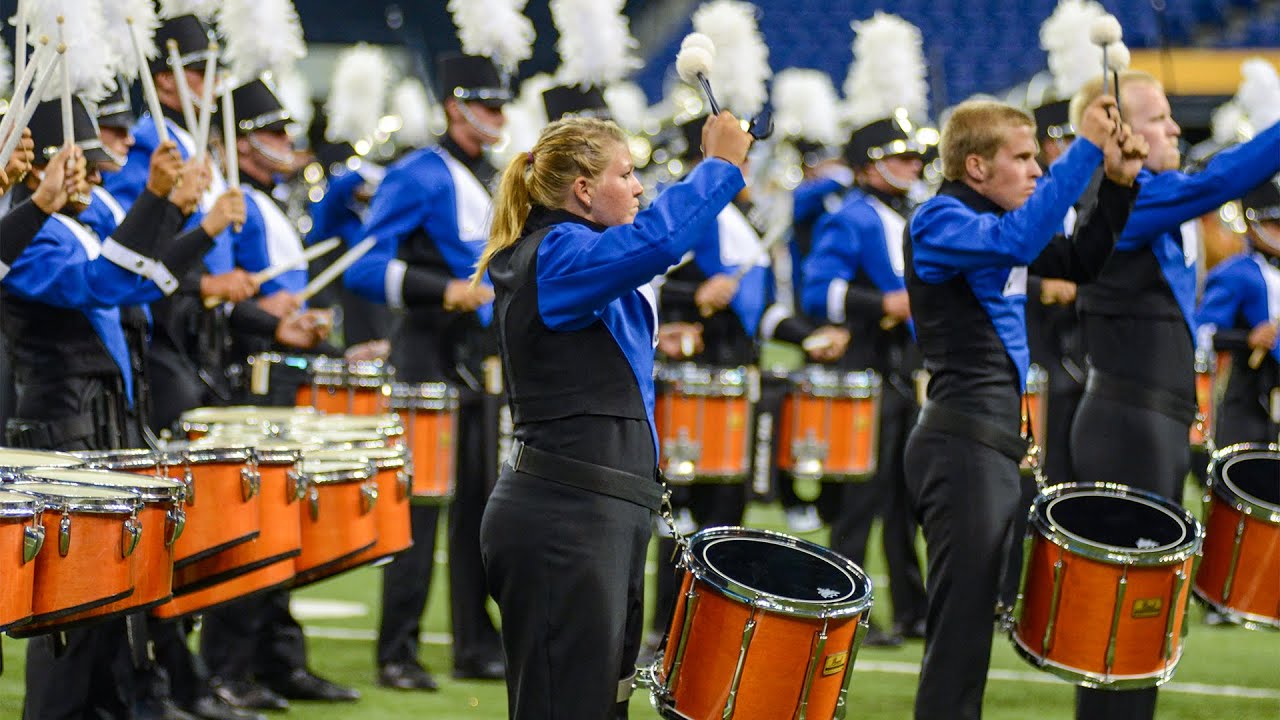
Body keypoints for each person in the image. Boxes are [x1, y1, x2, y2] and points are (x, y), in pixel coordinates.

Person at [476, 112, 752, 719]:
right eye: (626, 174)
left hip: (599, 514)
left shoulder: (578, 256)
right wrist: (719, 169)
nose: (637, 187)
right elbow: (658, 242)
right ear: (581, 188)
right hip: (564, 518)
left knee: (605, 703)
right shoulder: (556, 251)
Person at [902, 94, 1144, 720]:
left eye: (1040, 159)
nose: (1038, 169)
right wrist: (1086, 149)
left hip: (990, 441)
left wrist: (1117, 182)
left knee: (976, 619)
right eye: (1024, 157)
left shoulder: (993, 224)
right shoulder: (940, 218)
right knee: (959, 632)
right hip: (962, 442)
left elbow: (1081, 260)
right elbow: (1025, 234)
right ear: (976, 166)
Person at [8, 96, 233, 720]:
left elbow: (145, 277)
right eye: (86, 165)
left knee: (112, 620)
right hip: (62, 436)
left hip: (105, 431)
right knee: (68, 625)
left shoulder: (79, 223)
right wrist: (160, 202)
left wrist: (191, 221)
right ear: (40, 168)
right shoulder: (34, 231)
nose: (98, 178)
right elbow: (101, 283)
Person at [1067, 72, 1279, 719]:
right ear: (1118, 134)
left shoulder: (1148, 197)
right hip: (1128, 421)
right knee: (1123, 616)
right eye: (1158, 118)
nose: (1174, 129)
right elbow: (1220, 180)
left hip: (1150, 421)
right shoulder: (1121, 199)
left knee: (1145, 611)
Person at [344, 52, 507, 690]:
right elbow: (361, 265)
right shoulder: (419, 172)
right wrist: (442, 291)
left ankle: (475, 642)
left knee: (481, 509)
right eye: (485, 105)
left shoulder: (496, 175)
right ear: (454, 105)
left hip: (479, 362)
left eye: (500, 106)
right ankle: (397, 651)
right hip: (425, 357)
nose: (495, 117)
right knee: (417, 512)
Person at [801, 112, 930, 646]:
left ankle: (912, 608)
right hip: (866, 371)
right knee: (861, 499)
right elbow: (817, 292)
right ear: (870, 167)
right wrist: (884, 303)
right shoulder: (849, 217)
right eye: (901, 157)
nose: (914, 165)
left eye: (915, 156)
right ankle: (841, 606)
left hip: (903, 370)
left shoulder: (914, 213)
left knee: (905, 496)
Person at [1197, 177, 1280, 447]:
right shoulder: (1236, 271)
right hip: (1248, 402)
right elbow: (1202, 333)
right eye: (1273, 225)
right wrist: (1248, 339)